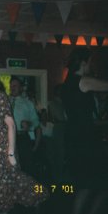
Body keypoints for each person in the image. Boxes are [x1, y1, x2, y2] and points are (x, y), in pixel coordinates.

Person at [0, 65, 48, 214]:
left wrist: (10, 154)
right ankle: (32, 198)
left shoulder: (0, 97)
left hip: (3, 146)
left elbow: (11, 125)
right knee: (4, 181)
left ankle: (38, 195)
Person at [61, 47, 108, 214]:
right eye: (89, 62)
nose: (91, 65)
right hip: (84, 139)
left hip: (75, 136)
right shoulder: (82, 81)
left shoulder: (68, 83)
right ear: (83, 62)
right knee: (93, 184)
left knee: (89, 184)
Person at [9, 77, 41, 177]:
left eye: (15, 86)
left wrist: (29, 124)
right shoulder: (5, 101)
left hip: (22, 138)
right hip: (7, 138)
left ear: (21, 88)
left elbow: (36, 123)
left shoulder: (28, 103)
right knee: (10, 167)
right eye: (11, 86)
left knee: (25, 167)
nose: (12, 88)